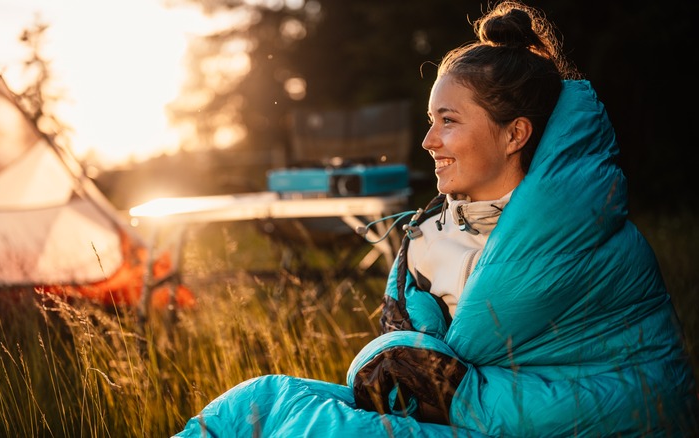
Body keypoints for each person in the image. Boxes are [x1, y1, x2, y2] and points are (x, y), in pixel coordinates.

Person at [176, 2, 698, 436]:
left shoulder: (588, 240)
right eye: (431, 122)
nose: (429, 141)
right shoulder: (425, 240)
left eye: (448, 121)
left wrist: (450, 390)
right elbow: (406, 360)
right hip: (458, 420)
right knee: (260, 400)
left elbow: (635, 393)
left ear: (515, 134)